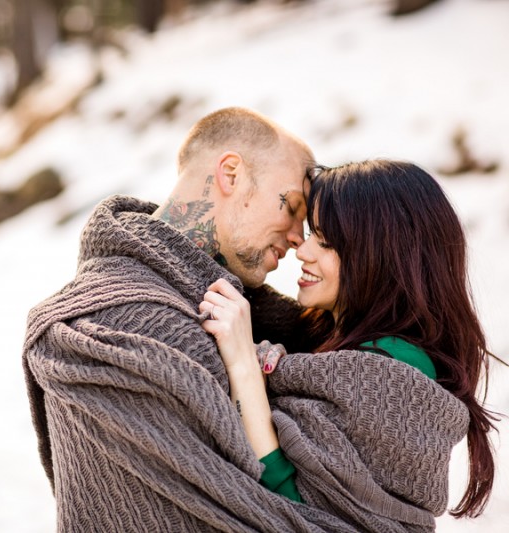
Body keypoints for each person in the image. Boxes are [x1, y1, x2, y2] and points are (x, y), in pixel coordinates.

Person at [24, 108, 420, 532]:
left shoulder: (260, 320)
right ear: (230, 174)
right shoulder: (122, 320)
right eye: (290, 206)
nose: (297, 239)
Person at [201, 160, 499, 523]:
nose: (303, 251)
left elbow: (306, 515)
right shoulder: (324, 340)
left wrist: (244, 369)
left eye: (326, 242)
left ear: (383, 255)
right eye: (311, 233)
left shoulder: (398, 368)